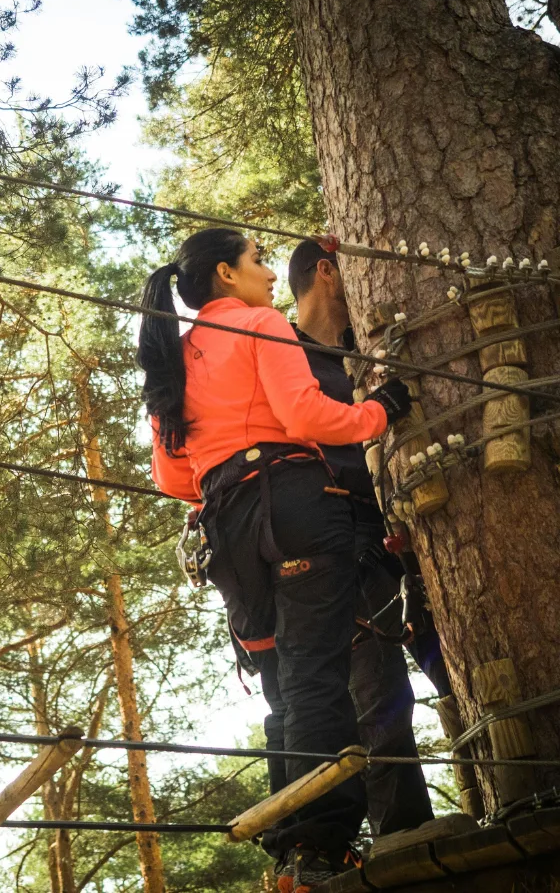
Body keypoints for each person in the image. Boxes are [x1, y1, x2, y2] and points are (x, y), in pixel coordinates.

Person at [137, 228, 413, 892]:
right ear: (226, 274)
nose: (267, 274)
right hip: (294, 508)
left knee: (281, 687)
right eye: (257, 260)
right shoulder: (259, 323)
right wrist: (378, 412)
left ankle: (295, 848)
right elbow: (306, 414)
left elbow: (171, 477)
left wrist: (226, 467)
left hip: (225, 529)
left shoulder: (173, 355)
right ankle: (322, 844)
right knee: (315, 673)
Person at [288, 239, 454, 836]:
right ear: (327, 272)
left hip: (412, 530)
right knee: (380, 700)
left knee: (454, 667)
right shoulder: (285, 357)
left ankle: (513, 793)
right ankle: (404, 842)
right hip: (343, 541)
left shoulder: (368, 348)